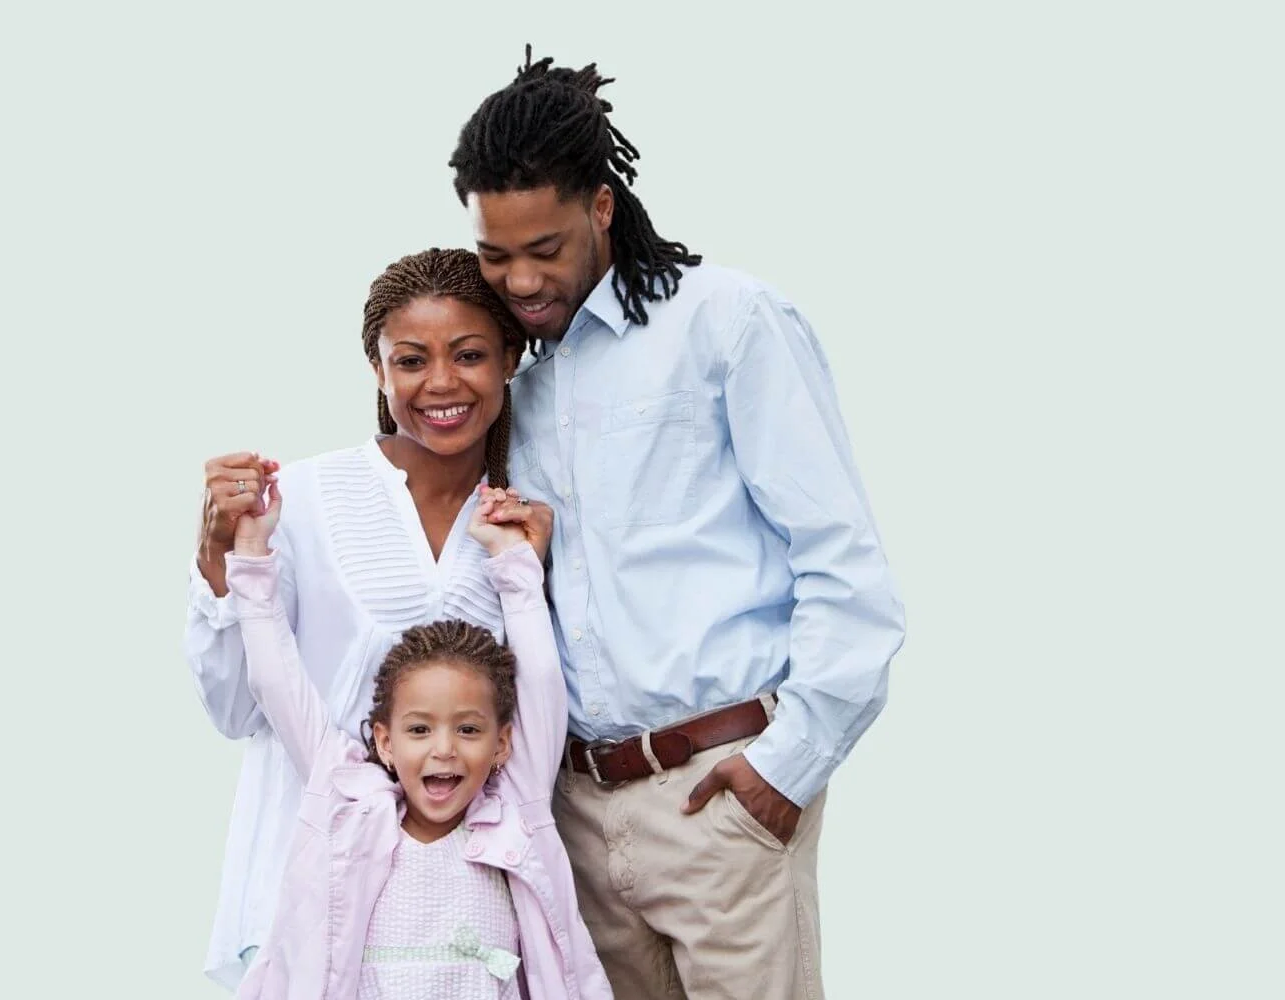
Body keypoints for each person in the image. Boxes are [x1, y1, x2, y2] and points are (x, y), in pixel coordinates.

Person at [449, 49, 908, 999]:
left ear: (602, 209)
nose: (521, 280)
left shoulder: (727, 323)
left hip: (718, 796)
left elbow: (843, 563)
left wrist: (784, 770)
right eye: (497, 255)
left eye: (545, 250)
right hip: (572, 812)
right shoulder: (509, 377)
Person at [185, 249, 537, 989]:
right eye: (410, 359)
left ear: (510, 358)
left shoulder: (521, 519)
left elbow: (530, 723)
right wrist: (217, 553)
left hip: (456, 913)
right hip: (308, 881)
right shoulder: (304, 499)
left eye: (469, 354)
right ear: (378, 371)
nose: (440, 383)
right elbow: (234, 708)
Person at [224, 474, 611, 999]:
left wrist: (514, 563)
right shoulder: (349, 807)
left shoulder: (517, 812)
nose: (444, 748)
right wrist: (249, 553)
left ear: (502, 744)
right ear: (384, 741)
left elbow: (541, 677)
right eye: (419, 729)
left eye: (469, 729)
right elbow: (275, 682)